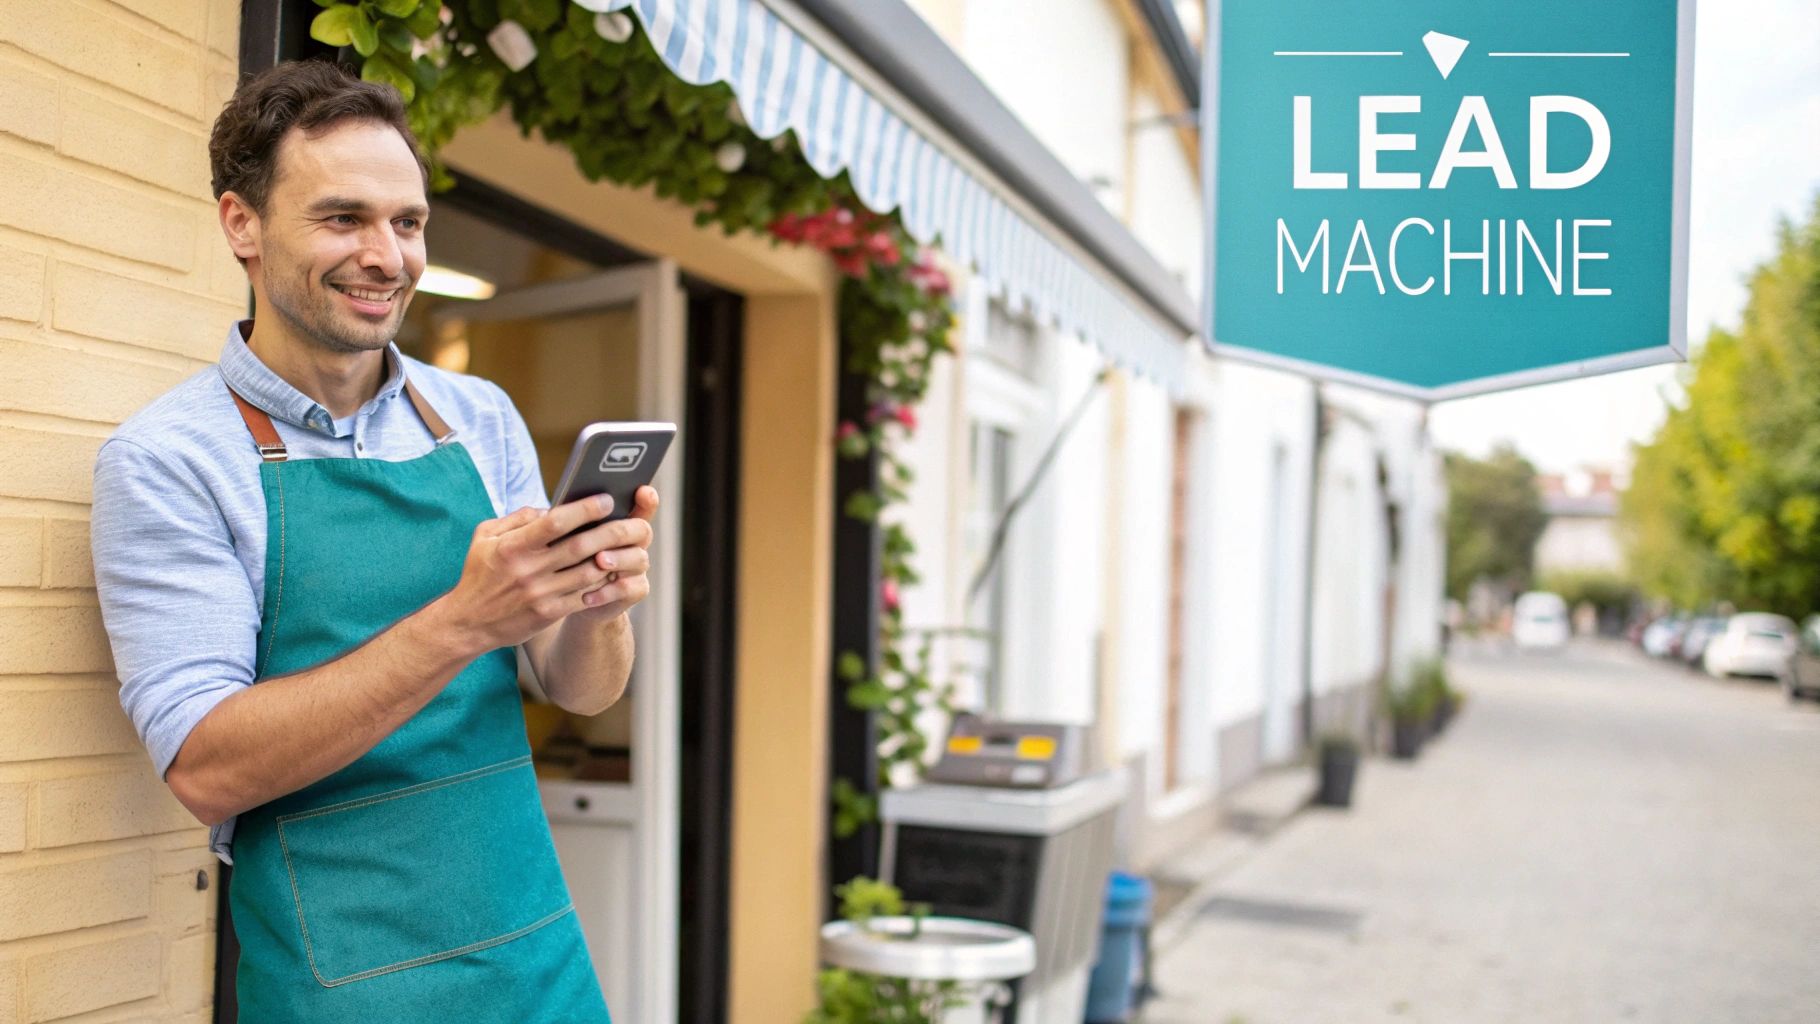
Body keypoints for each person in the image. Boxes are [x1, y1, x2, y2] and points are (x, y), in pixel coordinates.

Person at [90, 61, 639, 1022]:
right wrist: (465, 622)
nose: (388, 256)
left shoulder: (477, 415)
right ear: (242, 224)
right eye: (344, 219)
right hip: (339, 983)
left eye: (409, 222)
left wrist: (601, 603)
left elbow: (575, 685)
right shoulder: (168, 461)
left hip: (531, 956)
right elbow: (207, 767)